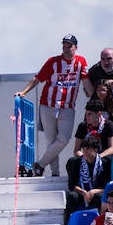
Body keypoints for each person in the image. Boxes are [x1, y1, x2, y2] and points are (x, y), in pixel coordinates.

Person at [17, 35, 89, 178]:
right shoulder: (53, 62)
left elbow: (86, 81)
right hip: (48, 105)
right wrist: (24, 91)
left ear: (76, 47)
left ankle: (40, 164)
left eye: (70, 46)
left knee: (63, 139)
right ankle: (55, 173)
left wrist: (93, 97)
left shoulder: (81, 62)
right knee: (51, 141)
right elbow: (37, 78)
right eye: (64, 45)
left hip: (67, 107)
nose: (66, 48)